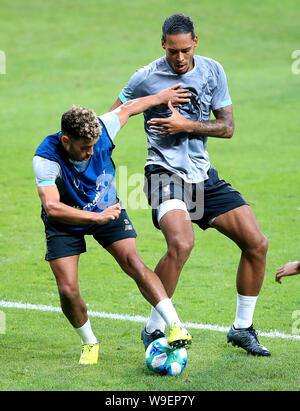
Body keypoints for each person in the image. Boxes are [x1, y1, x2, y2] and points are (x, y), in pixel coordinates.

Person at [109, 13, 271, 356]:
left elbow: (227, 127)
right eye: (173, 52)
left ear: (195, 42)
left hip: (203, 176)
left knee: (256, 243)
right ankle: (155, 327)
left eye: (185, 50)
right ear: (163, 45)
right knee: (182, 243)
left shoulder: (213, 70)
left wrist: (187, 125)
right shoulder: (147, 77)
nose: (179, 58)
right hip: (164, 174)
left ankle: (242, 328)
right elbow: (113, 118)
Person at [33, 85, 193, 365]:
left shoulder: (103, 128)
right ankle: (89, 341)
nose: (90, 152)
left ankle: (175, 325)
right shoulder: (45, 158)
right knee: (68, 291)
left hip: (106, 207)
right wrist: (95, 218)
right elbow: (52, 206)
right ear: (66, 140)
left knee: (133, 261)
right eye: (84, 148)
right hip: (65, 220)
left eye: (93, 146)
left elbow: (129, 107)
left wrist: (161, 97)